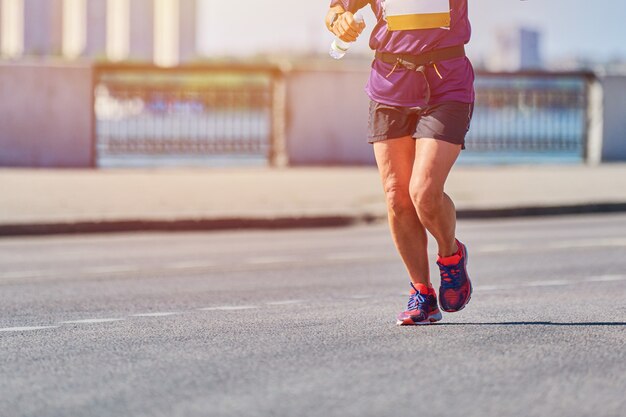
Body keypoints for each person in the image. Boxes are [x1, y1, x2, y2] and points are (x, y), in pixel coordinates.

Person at [325, 0, 474, 325]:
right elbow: (336, 10)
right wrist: (340, 21)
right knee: (397, 196)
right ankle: (422, 294)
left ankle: (451, 255)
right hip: (389, 86)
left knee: (423, 192)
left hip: (446, 85)